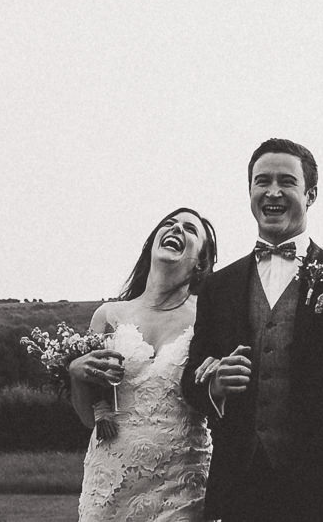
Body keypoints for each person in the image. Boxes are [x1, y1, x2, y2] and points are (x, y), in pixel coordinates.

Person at [182, 139, 323, 522]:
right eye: (261, 181)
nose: (273, 192)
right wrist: (213, 385)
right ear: (250, 191)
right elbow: (191, 380)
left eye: (286, 181)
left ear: (310, 194)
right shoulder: (219, 287)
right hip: (238, 486)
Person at [66, 207, 221, 521]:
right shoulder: (108, 315)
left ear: (200, 262)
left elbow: (218, 399)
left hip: (182, 485)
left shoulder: (210, 316)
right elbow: (88, 418)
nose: (176, 229)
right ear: (152, 244)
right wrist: (76, 373)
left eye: (189, 229)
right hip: (110, 483)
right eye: (169, 224)